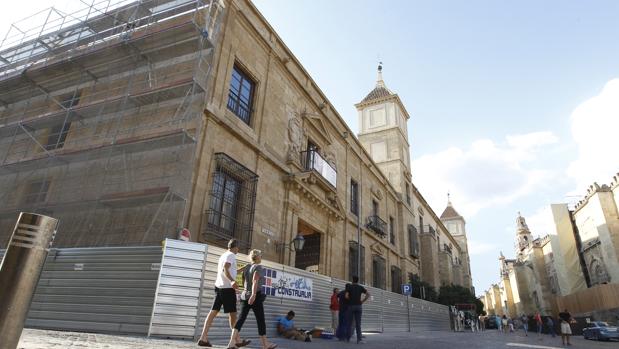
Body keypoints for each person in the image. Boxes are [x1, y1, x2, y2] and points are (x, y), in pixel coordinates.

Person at [198, 239, 250, 348]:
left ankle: (203, 337)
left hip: (219, 287)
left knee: (212, 313)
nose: (238, 250)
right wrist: (232, 281)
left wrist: (242, 269)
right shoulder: (231, 255)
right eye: (238, 247)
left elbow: (230, 270)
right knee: (233, 315)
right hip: (227, 289)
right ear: (235, 247)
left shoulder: (224, 255)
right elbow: (225, 269)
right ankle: (237, 341)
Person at [227, 249, 277, 349]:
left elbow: (236, 273)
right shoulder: (258, 267)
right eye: (260, 255)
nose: (261, 257)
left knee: (240, 319)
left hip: (245, 296)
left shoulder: (247, 266)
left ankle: (232, 342)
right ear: (257, 257)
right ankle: (265, 344)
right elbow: (255, 281)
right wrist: (254, 295)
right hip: (255, 297)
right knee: (260, 321)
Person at [345, 275, 369, 344]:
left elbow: (346, 296)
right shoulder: (360, 287)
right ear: (358, 280)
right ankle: (359, 339)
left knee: (349, 323)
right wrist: (362, 301)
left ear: (352, 280)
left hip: (351, 306)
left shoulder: (349, 287)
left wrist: (350, 300)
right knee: (358, 324)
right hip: (359, 306)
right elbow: (368, 294)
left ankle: (348, 338)